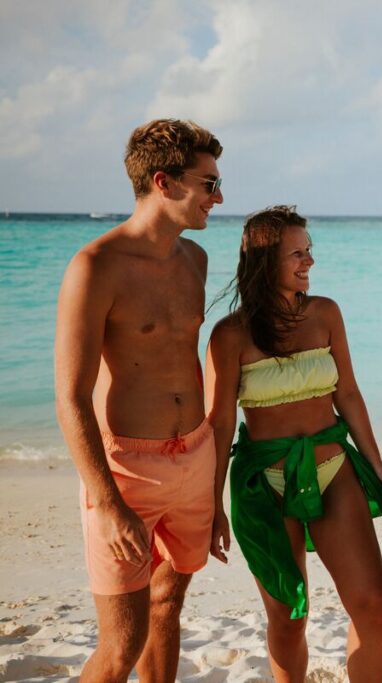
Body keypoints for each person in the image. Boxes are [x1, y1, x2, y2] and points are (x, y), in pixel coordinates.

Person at [205, 205, 382, 682]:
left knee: (372, 604)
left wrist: (377, 464)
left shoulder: (325, 313)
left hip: (333, 466)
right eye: (296, 254)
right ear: (263, 261)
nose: (309, 262)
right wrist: (212, 503)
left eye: (309, 251)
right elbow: (218, 423)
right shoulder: (229, 334)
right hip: (264, 482)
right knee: (288, 615)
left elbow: (350, 394)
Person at [54, 118, 223, 682]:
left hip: (193, 457)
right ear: (164, 182)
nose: (218, 198)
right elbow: (71, 397)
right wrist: (107, 501)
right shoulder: (95, 266)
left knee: (167, 607)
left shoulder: (194, 261)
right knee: (122, 645)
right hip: (127, 469)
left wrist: (212, 487)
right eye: (208, 183)